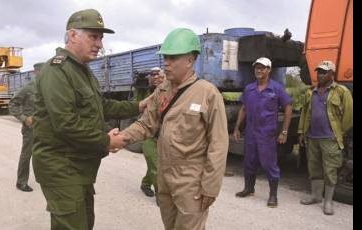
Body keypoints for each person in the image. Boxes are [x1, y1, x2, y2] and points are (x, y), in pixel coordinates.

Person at [31, 9, 150, 230]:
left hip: (79, 165)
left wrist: (139, 105)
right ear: (73, 35)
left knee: (85, 223)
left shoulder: (83, 71)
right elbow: (66, 123)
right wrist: (106, 141)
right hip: (61, 167)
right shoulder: (57, 70)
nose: (100, 44)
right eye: (93, 36)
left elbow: (101, 107)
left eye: (101, 38)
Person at [118, 28, 229, 230]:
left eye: (173, 57)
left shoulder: (207, 93)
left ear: (190, 60)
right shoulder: (162, 90)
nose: (166, 63)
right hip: (164, 175)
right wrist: (119, 139)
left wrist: (210, 186)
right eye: (165, 57)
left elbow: (218, 144)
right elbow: (146, 124)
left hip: (191, 181)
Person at [233, 57, 292, 208]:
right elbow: (244, 108)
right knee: (249, 161)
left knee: (268, 164)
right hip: (251, 132)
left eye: (263, 68)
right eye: (257, 68)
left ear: (269, 70)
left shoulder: (276, 88)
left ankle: (273, 195)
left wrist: (284, 131)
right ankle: (249, 188)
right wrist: (237, 127)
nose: (259, 70)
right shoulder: (249, 88)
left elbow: (288, 108)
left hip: (267, 133)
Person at [298, 60, 353, 215]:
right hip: (312, 137)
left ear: (332, 74)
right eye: (319, 71)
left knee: (330, 170)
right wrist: (302, 132)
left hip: (330, 138)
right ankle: (316, 196)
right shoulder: (311, 91)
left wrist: (339, 133)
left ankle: (328, 201)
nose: (320, 74)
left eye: (324, 72)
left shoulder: (342, 91)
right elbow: (305, 113)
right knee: (314, 168)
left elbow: (349, 115)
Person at [9, 62, 44, 192]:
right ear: (36, 73)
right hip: (31, 128)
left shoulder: (49, 88)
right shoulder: (28, 88)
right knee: (27, 155)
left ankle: (45, 179)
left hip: (46, 128)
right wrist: (24, 118)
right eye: (41, 72)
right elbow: (13, 104)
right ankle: (21, 181)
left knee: (45, 154)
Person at [138, 67, 165, 205]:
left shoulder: (170, 91)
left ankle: (145, 184)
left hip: (162, 135)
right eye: (152, 75)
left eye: (158, 75)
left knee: (154, 163)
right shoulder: (145, 92)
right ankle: (161, 197)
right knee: (156, 165)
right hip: (148, 134)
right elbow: (137, 105)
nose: (155, 78)